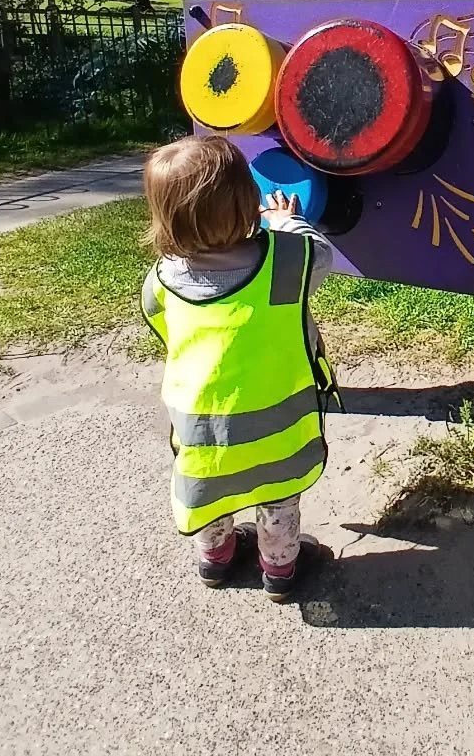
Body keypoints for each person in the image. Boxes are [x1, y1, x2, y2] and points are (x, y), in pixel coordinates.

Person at [140, 135, 338, 600]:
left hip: (201, 428)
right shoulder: (287, 262)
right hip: (280, 427)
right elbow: (321, 254)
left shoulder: (162, 279)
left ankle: (216, 560)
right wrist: (288, 223)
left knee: (210, 491)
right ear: (249, 200)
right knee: (278, 496)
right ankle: (280, 570)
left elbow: (159, 322)